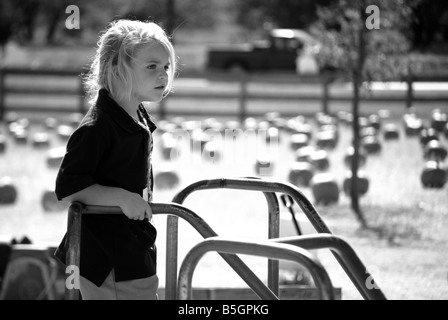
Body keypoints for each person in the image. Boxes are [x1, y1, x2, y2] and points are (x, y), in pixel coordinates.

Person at [53, 19, 177, 300]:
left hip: (131, 246)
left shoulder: (137, 116)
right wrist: (122, 197)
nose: (163, 75)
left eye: (166, 67)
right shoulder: (98, 127)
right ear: (117, 69)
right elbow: (68, 187)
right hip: (108, 257)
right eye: (152, 66)